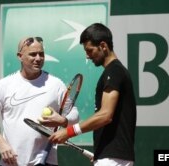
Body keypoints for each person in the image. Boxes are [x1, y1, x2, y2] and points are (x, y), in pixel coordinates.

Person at [0, 37, 79, 166]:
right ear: (20, 56)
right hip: (10, 162)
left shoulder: (56, 84)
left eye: (41, 54)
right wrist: (1, 143)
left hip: (46, 162)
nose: (38, 58)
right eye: (33, 54)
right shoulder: (4, 85)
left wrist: (63, 120)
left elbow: (74, 114)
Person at [49, 23, 137, 166]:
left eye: (90, 50)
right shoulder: (113, 72)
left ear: (103, 46)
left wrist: (69, 132)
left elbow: (105, 115)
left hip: (113, 157)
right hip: (110, 156)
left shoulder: (114, 71)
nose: (87, 56)